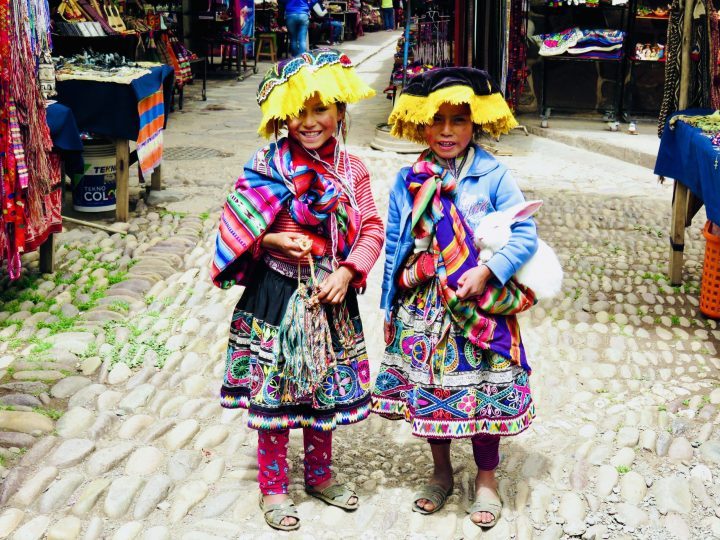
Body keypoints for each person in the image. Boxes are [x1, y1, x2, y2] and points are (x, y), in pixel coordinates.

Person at [211, 49, 383, 532]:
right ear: (283, 116)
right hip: (275, 292)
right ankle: (273, 487)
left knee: (322, 388)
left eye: (321, 110)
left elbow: (371, 228)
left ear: (340, 112)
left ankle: (320, 477)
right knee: (273, 391)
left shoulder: (352, 171)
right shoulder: (265, 162)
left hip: (331, 294)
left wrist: (348, 272)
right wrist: (268, 238)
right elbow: (236, 218)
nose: (310, 122)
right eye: (299, 112)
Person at [371, 67, 538, 530]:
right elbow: (395, 242)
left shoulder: (493, 176)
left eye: (459, 121)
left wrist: (488, 270)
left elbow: (524, 234)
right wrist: (393, 297)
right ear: (421, 124)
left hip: (477, 306)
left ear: (475, 124)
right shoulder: (408, 178)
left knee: (485, 391)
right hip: (426, 308)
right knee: (433, 390)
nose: (447, 131)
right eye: (437, 120)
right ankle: (441, 471)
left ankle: (486, 478)